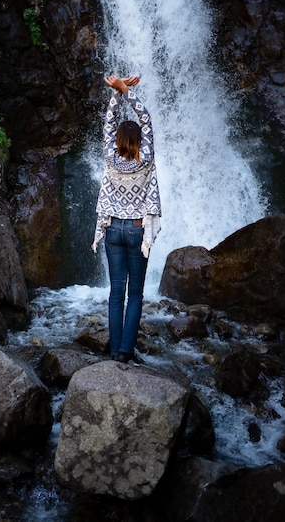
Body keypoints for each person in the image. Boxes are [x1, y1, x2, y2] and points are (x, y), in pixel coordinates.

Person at [92, 74, 161, 363]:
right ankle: (125, 351)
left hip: (112, 230)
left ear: (118, 140)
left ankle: (116, 348)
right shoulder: (144, 157)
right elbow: (145, 120)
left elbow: (108, 125)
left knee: (116, 292)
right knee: (135, 293)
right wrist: (128, 91)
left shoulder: (109, 156)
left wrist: (116, 94)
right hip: (136, 230)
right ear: (140, 140)